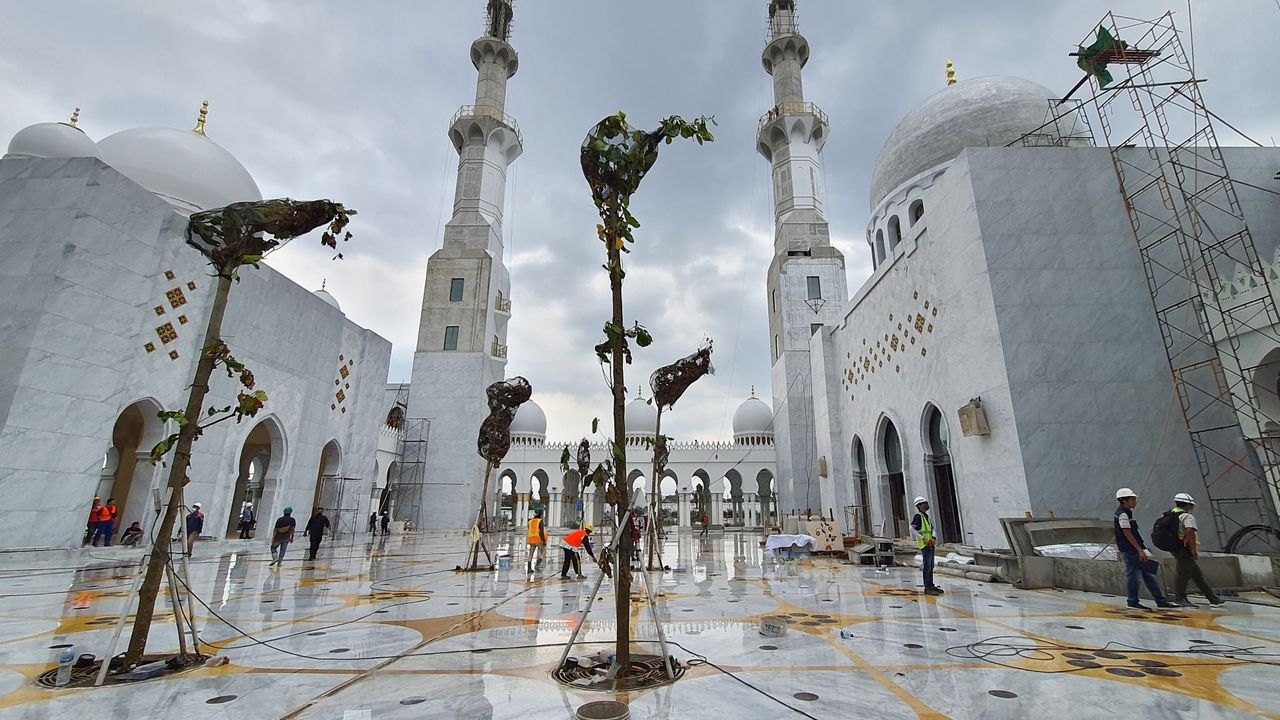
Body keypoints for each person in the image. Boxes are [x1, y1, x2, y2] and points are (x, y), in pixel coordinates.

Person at [1113, 487, 1177, 610]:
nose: (1135, 502)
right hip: (1129, 550)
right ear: (1124, 501)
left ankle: (1160, 600)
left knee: (1147, 574)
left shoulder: (1126, 512)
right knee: (1133, 575)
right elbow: (1127, 532)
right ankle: (1133, 600)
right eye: (1132, 499)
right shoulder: (1122, 514)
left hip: (1132, 549)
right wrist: (1139, 550)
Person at [1168, 493, 1226, 609]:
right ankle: (1179, 599)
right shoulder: (1187, 517)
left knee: (1197, 575)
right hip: (1185, 549)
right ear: (1188, 505)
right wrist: (1193, 549)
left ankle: (1213, 599)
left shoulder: (1172, 514)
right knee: (1183, 575)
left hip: (1176, 548)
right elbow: (1190, 531)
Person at [910, 497, 944, 595]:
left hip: (930, 544)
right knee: (927, 566)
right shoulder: (918, 516)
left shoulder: (926, 517)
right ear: (919, 506)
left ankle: (931, 585)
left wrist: (933, 538)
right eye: (924, 503)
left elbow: (932, 529)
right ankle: (927, 587)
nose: (926, 505)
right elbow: (911, 529)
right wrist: (923, 538)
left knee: (931, 565)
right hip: (925, 546)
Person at [526, 509, 547, 573]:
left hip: (531, 539)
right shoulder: (540, 521)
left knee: (530, 554)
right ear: (541, 515)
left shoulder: (530, 521)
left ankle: (529, 569)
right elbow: (541, 532)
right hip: (538, 539)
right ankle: (537, 565)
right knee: (543, 552)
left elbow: (529, 529)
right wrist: (544, 541)